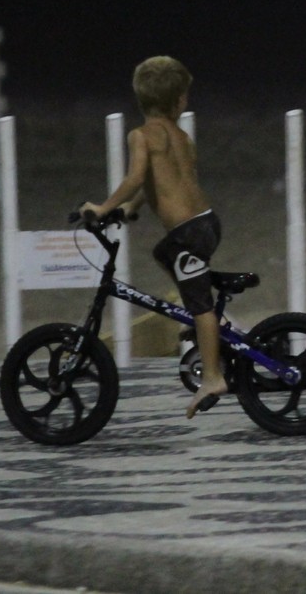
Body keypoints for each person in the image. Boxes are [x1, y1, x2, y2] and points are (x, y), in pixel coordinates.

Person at [81, 57, 225, 419]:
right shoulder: (182, 137)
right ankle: (204, 320)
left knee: (199, 304)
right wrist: (131, 208)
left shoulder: (140, 135)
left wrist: (104, 207)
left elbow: (136, 176)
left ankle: (212, 376)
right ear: (177, 101)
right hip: (205, 222)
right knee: (165, 254)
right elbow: (164, 181)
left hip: (188, 231)